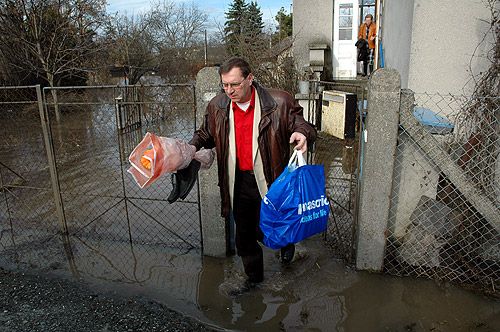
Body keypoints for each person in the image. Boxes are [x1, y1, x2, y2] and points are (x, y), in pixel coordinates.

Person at [189, 57, 316, 290]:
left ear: (250, 78)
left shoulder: (280, 102)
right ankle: (254, 279)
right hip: (237, 180)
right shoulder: (218, 105)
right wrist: (188, 148)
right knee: (245, 234)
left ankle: (286, 243)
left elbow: (302, 123)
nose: (229, 91)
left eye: (235, 84)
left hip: (271, 178)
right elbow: (205, 133)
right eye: (225, 85)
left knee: (277, 223)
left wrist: (302, 133)